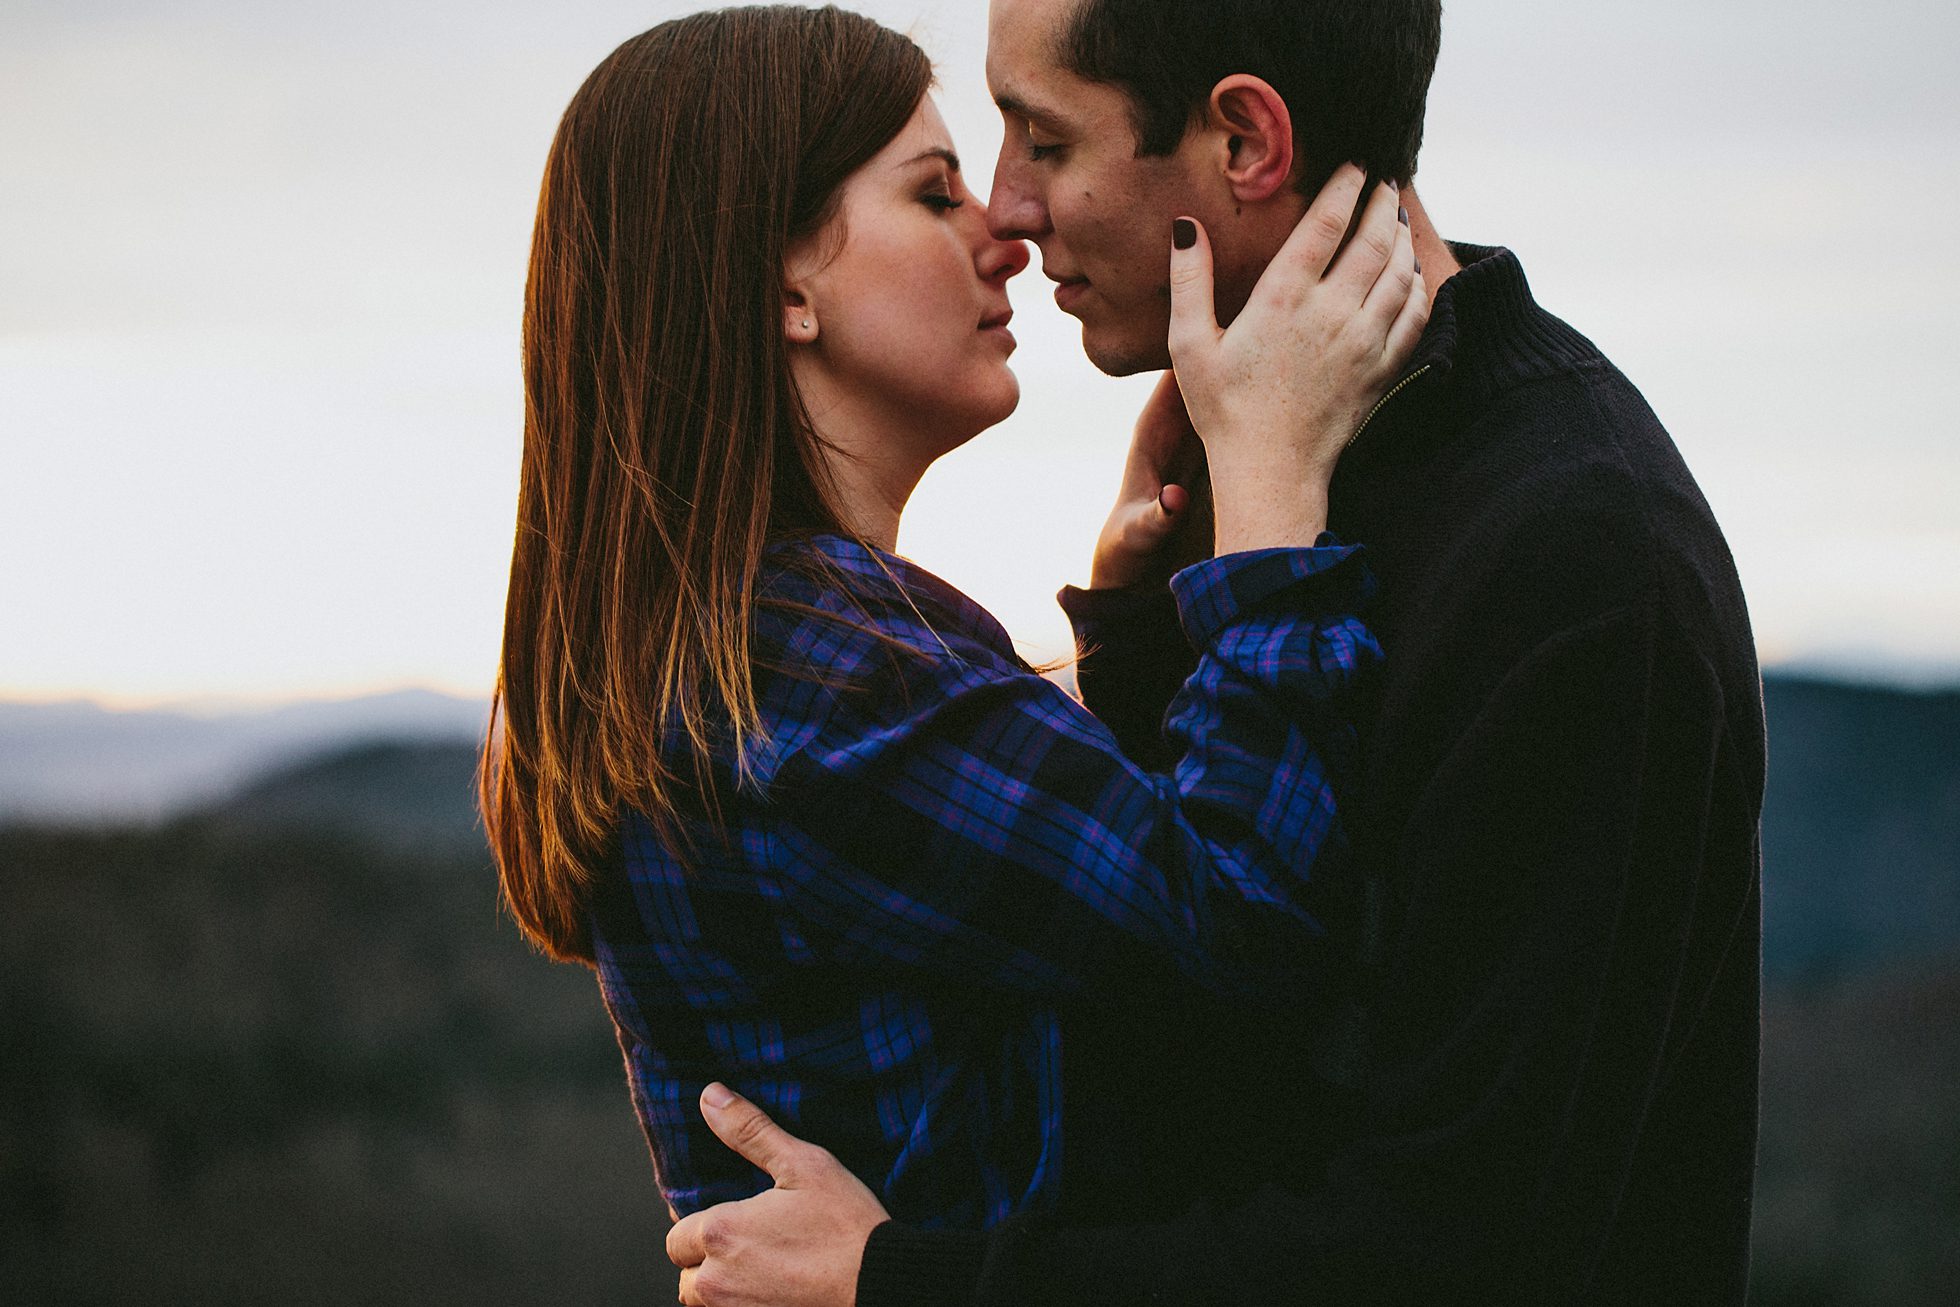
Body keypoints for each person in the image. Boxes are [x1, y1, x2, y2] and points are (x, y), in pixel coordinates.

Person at [664, 0, 1767, 1303]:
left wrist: (912, 1280)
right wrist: (1145, 624)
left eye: (1045, 138)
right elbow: (1187, 1028)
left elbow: (1451, 1250)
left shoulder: (1572, 554)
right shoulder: (1250, 460)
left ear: (1245, 139)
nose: (1007, 211)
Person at [481, 2, 1428, 1249]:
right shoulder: (812, 670)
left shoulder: (734, 647)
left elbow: (1064, 946)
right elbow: (1241, 921)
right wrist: (1269, 503)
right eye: (934, 195)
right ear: (786, 289)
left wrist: (1138, 616)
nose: (1004, 228)